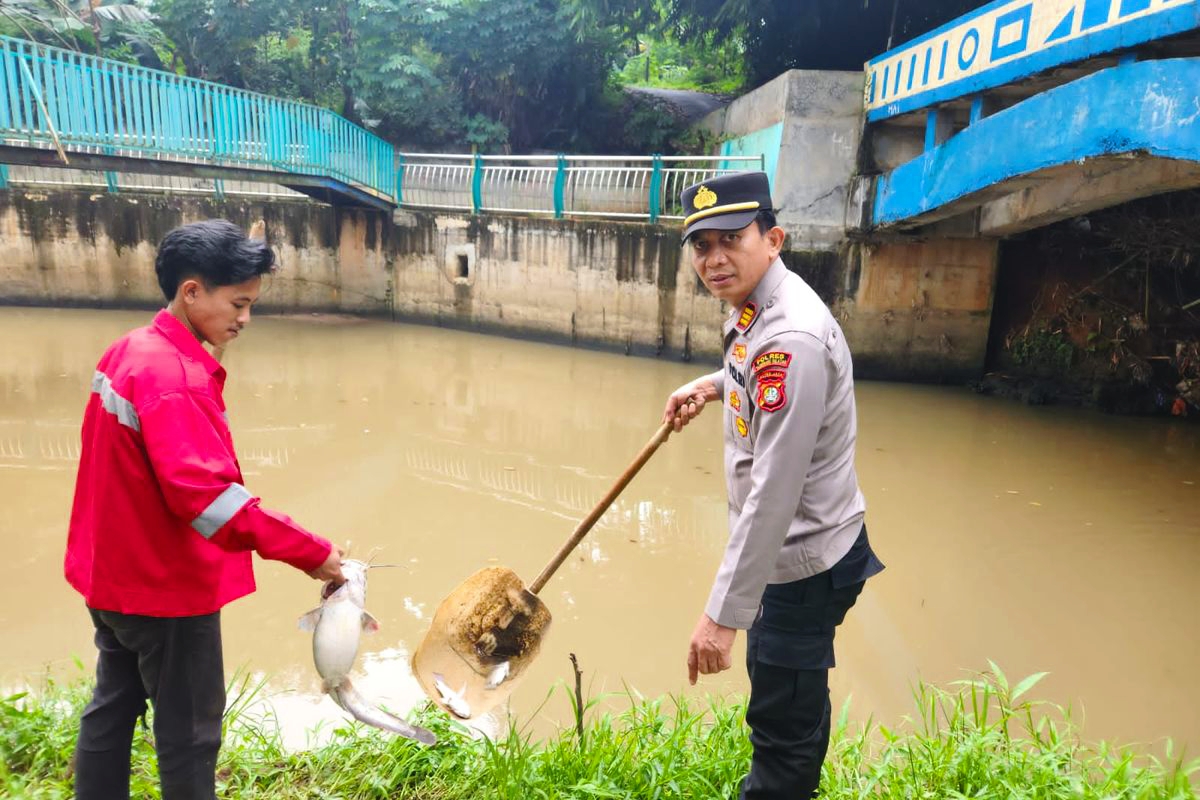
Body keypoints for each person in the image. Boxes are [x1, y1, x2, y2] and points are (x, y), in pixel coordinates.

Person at [64, 219, 345, 800]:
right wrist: (312, 553)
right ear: (191, 291)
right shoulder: (175, 378)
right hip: (163, 587)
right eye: (238, 304)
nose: (245, 319)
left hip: (111, 575)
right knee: (190, 736)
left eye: (251, 304)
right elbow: (211, 499)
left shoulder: (131, 350)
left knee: (112, 706)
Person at [662, 172, 884, 799]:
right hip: (802, 550)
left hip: (802, 562)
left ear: (773, 239)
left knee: (780, 719)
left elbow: (774, 496)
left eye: (731, 239)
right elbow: (755, 374)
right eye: (701, 245)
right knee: (792, 694)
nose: (714, 259)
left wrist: (721, 616)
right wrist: (712, 385)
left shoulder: (791, 339)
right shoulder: (762, 307)